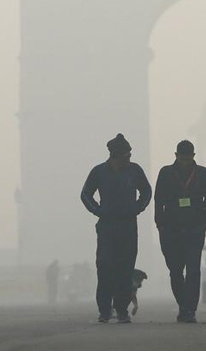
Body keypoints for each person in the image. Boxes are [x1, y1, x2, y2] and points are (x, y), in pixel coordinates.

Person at [80, 133, 152, 324]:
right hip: (107, 226)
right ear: (115, 156)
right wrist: (98, 211)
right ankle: (104, 310)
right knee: (104, 267)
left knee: (125, 269)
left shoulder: (134, 171)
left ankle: (121, 310)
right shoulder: (99, 172)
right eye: (126, 156)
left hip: (128, 225)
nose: (129, 158)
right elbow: (85, 194)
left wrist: (137, 208)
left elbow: (146, 191)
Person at [154, 140, 206, 323]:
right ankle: (184, 304)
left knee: (193, 270)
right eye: (182, 159)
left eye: (188, 159)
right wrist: (160, 224)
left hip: (194, 228)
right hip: (171, 229)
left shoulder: (203, 174)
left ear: (193, 156)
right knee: (175, 270)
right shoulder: (165, 173)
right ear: (176, 156)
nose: (185, 162)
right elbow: (158, 200)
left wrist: (204, 222)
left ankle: (190, 309)